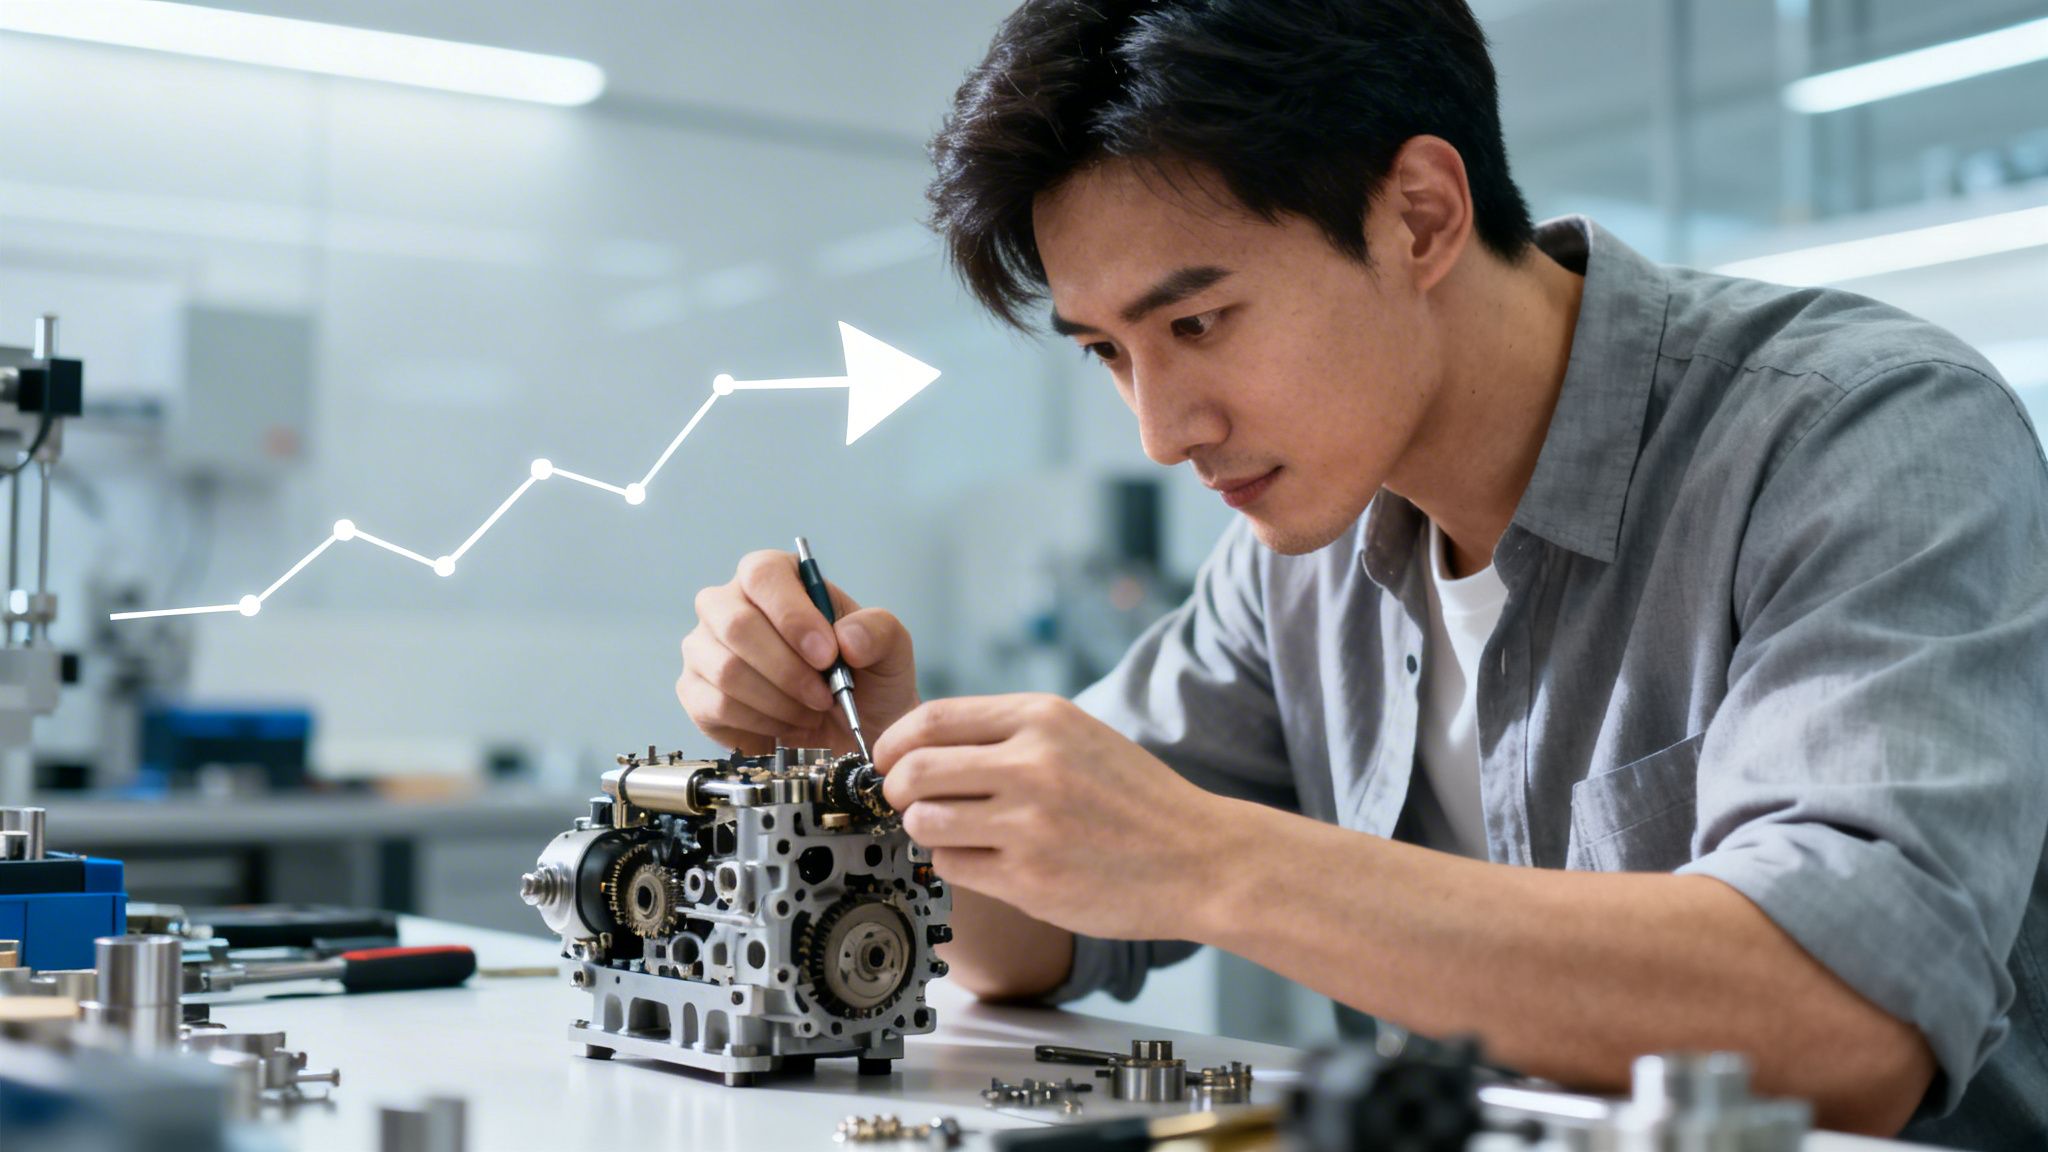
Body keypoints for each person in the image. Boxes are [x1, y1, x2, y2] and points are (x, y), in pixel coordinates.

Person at [678, 1, 2048, 1143]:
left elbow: (1853, 1027)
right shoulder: (1298, 557)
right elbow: (1026, 934)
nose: (1161, 429)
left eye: (1199, 320)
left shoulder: (1860, 435)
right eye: (1109, 353)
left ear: (1421, 214)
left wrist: (1215, 863)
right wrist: (879, 770)